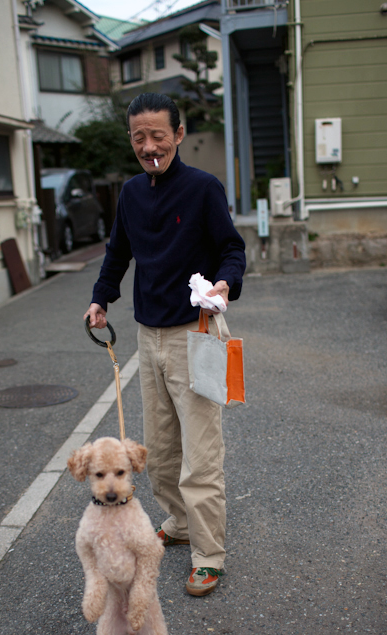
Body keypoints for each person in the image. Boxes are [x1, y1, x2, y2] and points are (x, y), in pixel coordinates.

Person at [84, 92, 245, 597]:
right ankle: (178, 523)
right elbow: (118, 253)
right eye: (139, 137)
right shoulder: (131, 193)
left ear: (178, 134)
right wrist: (100, 298)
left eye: (158, 135)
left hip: (193, 332)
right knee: (161, 450)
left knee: (201, 451)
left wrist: (224, 283)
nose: (149, 146)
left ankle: (209, 553)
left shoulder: (202, 188)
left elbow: (232, 249)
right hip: (145, 334)